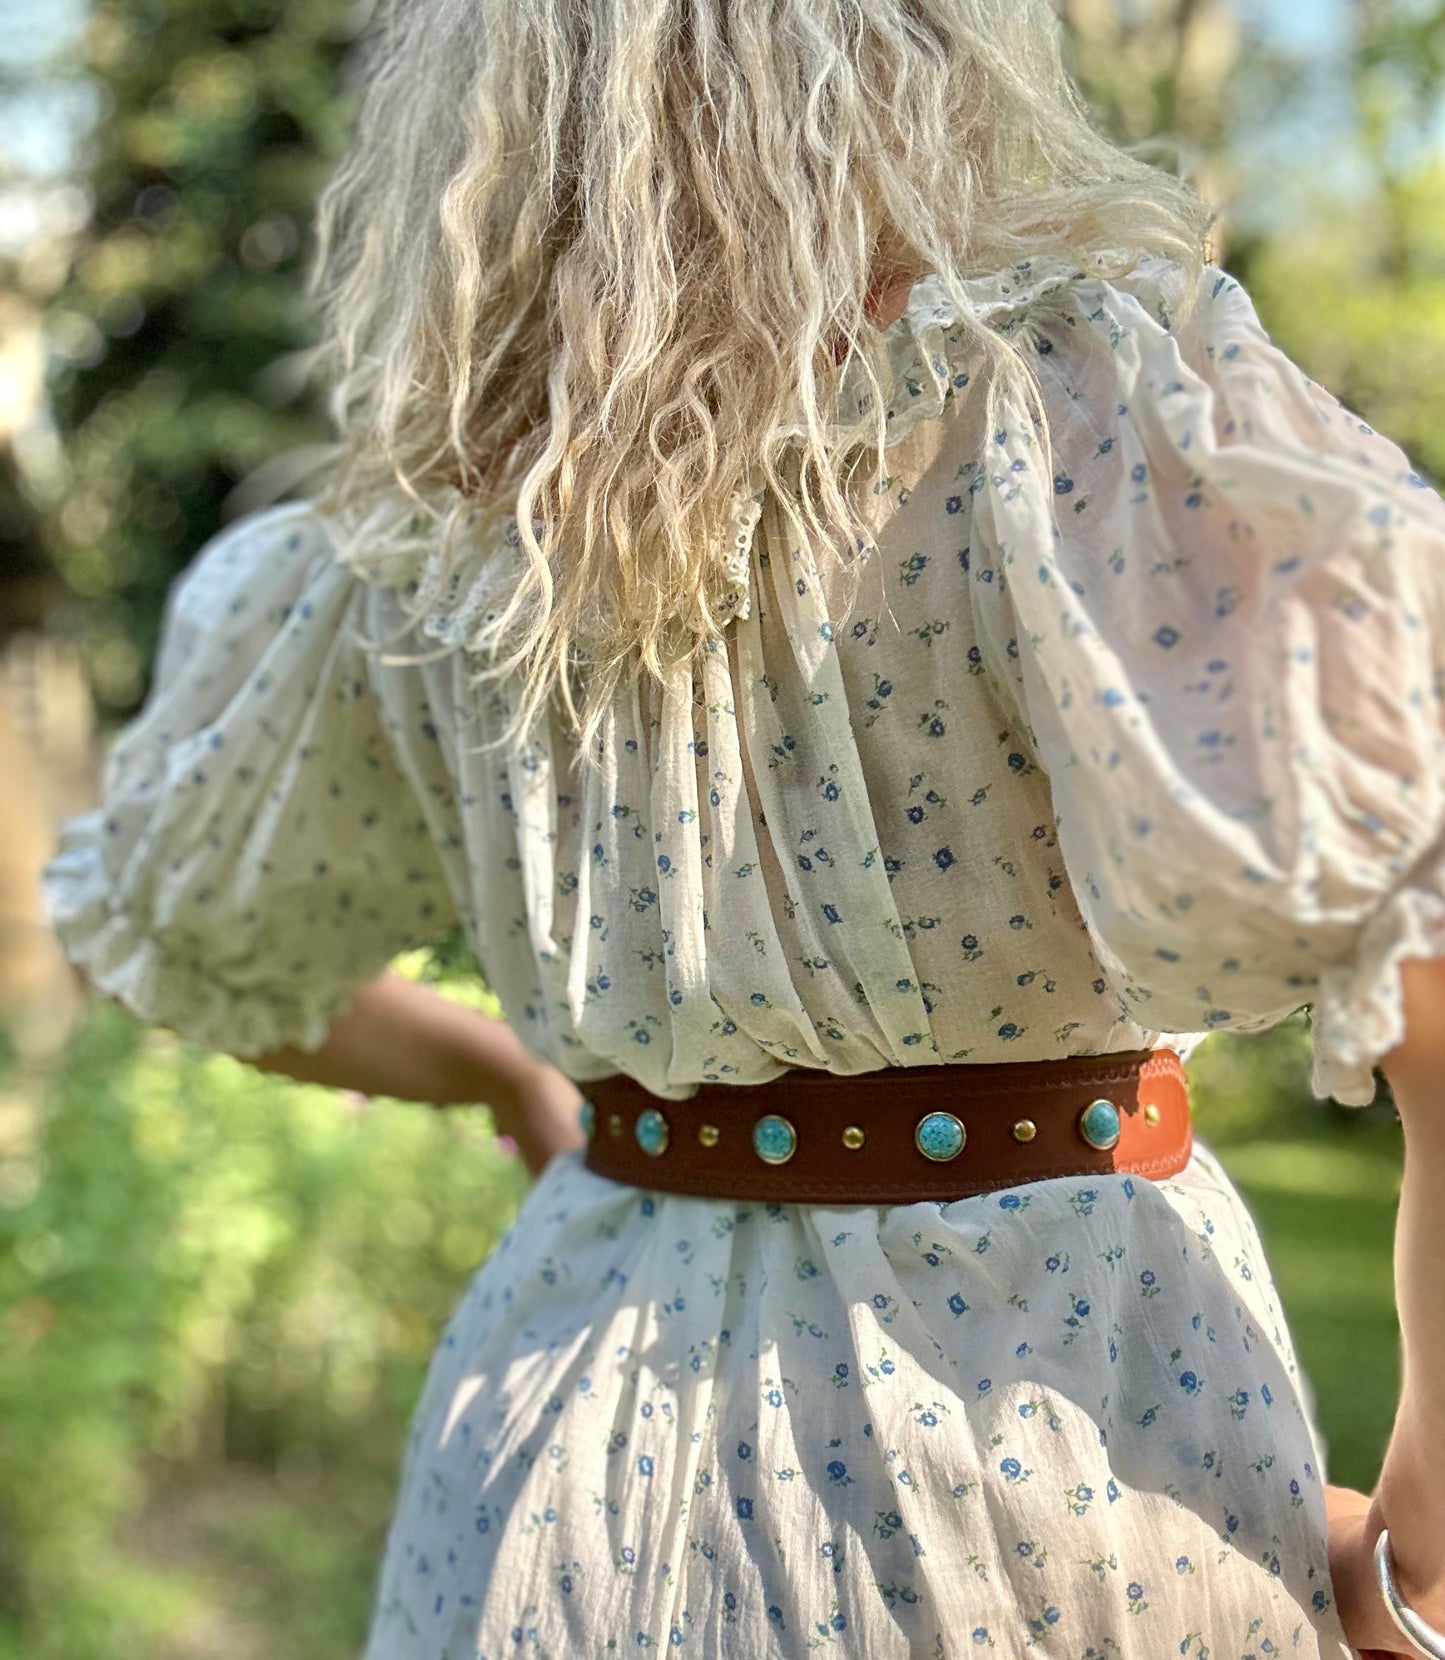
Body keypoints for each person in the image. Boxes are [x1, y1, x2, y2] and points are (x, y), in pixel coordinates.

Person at [41, 0, 1445, 1653]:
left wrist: (510, 1071)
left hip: (563, 1426)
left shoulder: (408, 554)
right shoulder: (1062, 413)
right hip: (1044, 1433)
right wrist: (1423, 1530)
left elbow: (170, 933)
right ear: (915, 58)